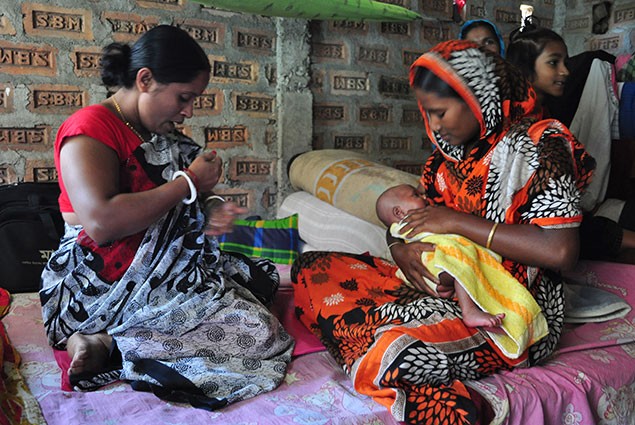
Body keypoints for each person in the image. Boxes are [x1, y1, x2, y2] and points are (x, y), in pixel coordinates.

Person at [292, 40, 595, 425]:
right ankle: (396, 343)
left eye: (440, 112)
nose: (433, 125)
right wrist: (399, 249)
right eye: (427, 113)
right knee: (311, 266)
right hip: (446, 286)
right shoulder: (444, 159)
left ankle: (443, 397)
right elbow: (412, 224)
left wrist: (456, 222)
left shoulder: (540, 144)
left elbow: (560, 251)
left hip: (508, 310)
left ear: (476, 97)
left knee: (391, 353)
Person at [39, 25, 293, 408]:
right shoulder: (90, 130)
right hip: (98, 284)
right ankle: (108, 340)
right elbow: (101, 223)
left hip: (163, 278)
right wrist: (188, 182)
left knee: (259, 291)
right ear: (145, 80)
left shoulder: (166, 136)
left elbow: (185, 208)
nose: (188, 111)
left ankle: (104, 340)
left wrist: (212, 209)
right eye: (184, 97)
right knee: (261, 333)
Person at [507, 23, 635, 263]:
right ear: (526, 70)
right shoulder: (518, 123)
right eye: (554, 63)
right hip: (530, 228)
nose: (565, 71)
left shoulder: (546, 113)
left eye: (565, 62)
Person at [376, 184, 508, 329]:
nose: (424, 196)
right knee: (460, 266)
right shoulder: (406, 225)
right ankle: (469, 312)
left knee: (462, 266)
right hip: (431, 267)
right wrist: (396, 249)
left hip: (435, 273)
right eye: (416, 195)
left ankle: (460, 294)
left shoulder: (407, 224)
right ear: (399, 212)